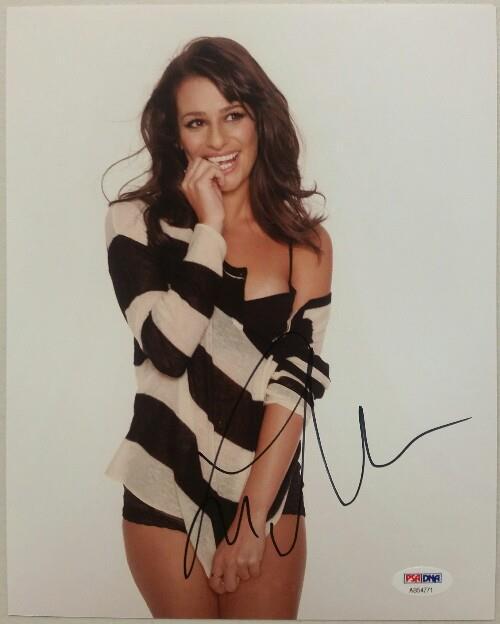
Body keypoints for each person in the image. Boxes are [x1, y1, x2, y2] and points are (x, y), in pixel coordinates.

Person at [101, 35, 333, 619]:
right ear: (175, 134)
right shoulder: (135, 223)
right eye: (196, 122)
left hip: (266, 494)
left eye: (233, 115)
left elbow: (295, 385)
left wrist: (252, 521)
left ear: (259, 118)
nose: (217, 140)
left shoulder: (306, 243)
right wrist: (209, 229)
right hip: (165, 484)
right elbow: (167, 350)